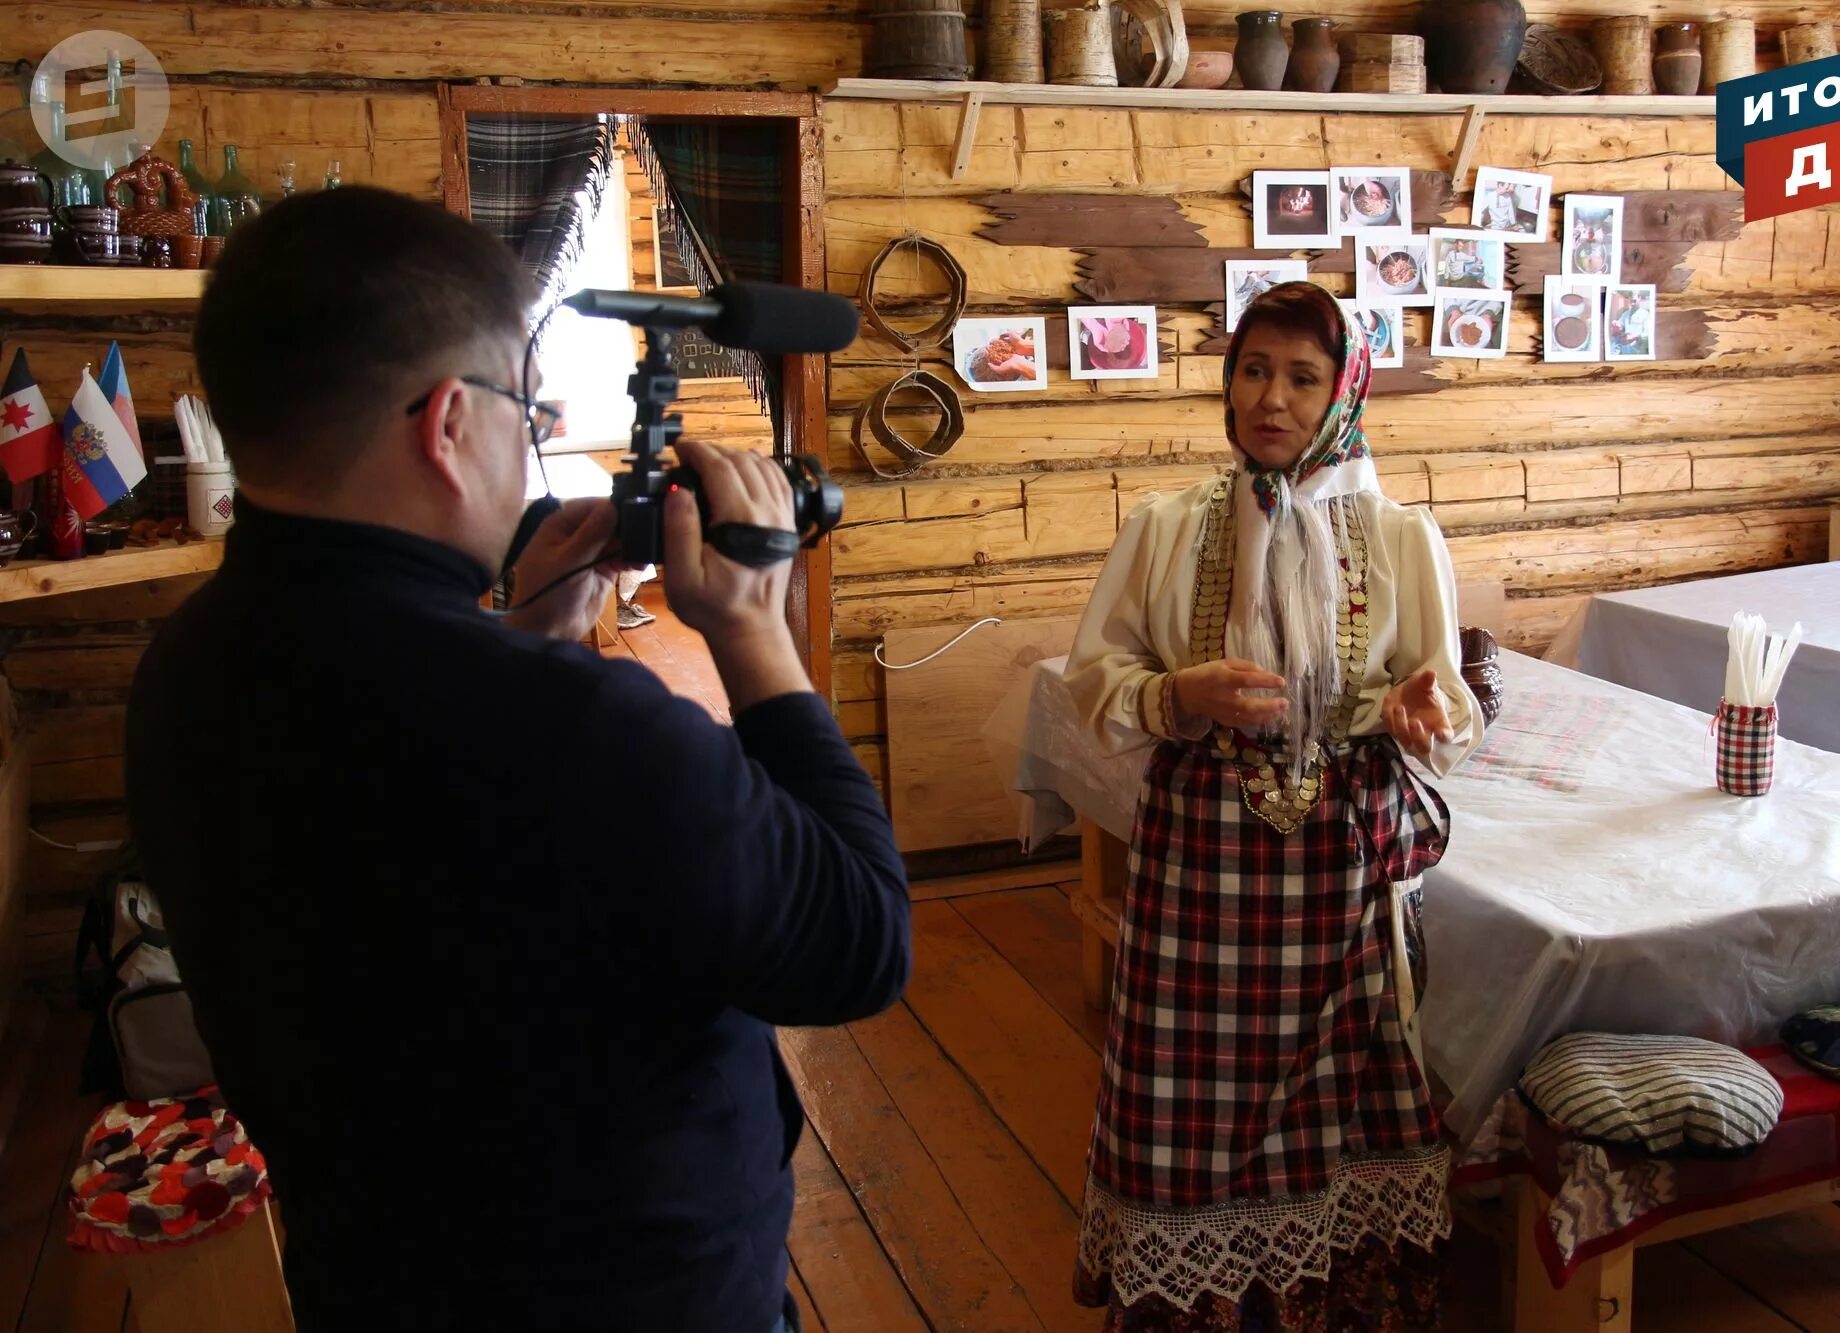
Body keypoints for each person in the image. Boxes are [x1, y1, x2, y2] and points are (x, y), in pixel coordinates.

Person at [123, 187, 911, 1332]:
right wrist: (751, 626)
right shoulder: (586, 729)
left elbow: (412, 851)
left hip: (375, 1274)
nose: (525, 439)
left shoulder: (186, 667)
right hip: (638, 1290)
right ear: (447, 424)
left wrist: (519, 632)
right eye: (524, 410)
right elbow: (857, 944)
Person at [1065, 282, 1483, 1332]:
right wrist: (1177, 694)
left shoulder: (1398, 538)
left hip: (1341, 868)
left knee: (1336, 1090)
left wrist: (1411, 710)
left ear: (1344, 390)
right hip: (1199, 862)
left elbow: (1446, 702)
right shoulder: (1165, 528)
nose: (1272, 399)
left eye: (1302, 376)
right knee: (1184, 1094)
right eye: (1253, 369)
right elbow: (1094, 677)